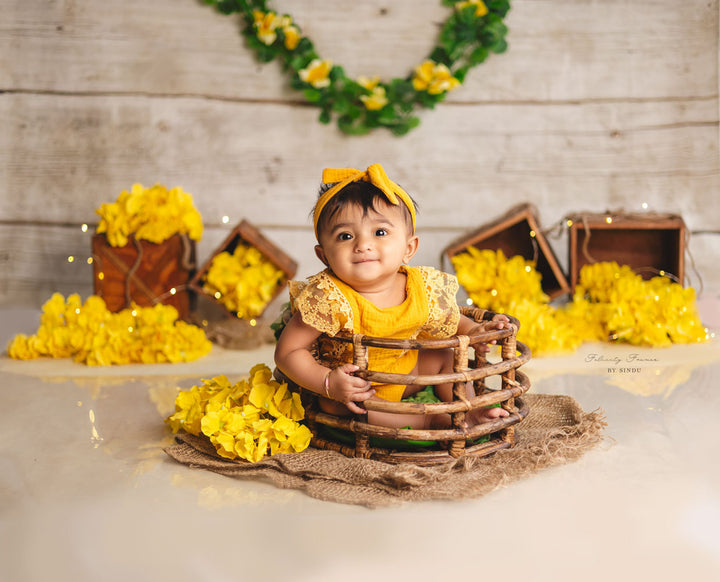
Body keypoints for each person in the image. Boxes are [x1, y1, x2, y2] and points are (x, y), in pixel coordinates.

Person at [274, 163, 510, 430]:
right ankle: (430, 419)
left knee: (446, 354)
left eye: (380, 232)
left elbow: (451, 319)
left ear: (409, 248)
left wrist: (476, 331)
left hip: (409, 373)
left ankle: (468, 411)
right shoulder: (328, 298)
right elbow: (288, 351)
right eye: (345, 235)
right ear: (324, 256)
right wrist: (329, 382)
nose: (363, 244)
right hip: (359, 387)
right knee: (342, 407)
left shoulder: (421, 286)